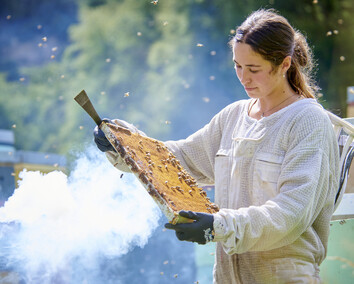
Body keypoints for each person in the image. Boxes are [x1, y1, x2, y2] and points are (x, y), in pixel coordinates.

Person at [94, 9, 340, 283]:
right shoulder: (233, 116)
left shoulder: (308, 121)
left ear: (284, 64)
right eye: (237, 66)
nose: (243, 78)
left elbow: (291, 214)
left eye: (253, 69)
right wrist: (124, 144)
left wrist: (218, 225)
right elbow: (179, 160)